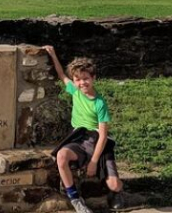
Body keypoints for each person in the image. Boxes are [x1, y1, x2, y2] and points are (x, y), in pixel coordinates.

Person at [43, 45, 124, 213]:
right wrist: (53, 54)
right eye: (78, 79)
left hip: (97, 141)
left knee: (114, 185)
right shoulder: (75, 91)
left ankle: (114, 190)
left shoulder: (100, 103)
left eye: (86, 78)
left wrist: (93, 162)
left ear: (93, 78)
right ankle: (75, 198)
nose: (82, 83)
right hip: (79, 138)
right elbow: (61, 75)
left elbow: (103, 136)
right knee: (61, 156)